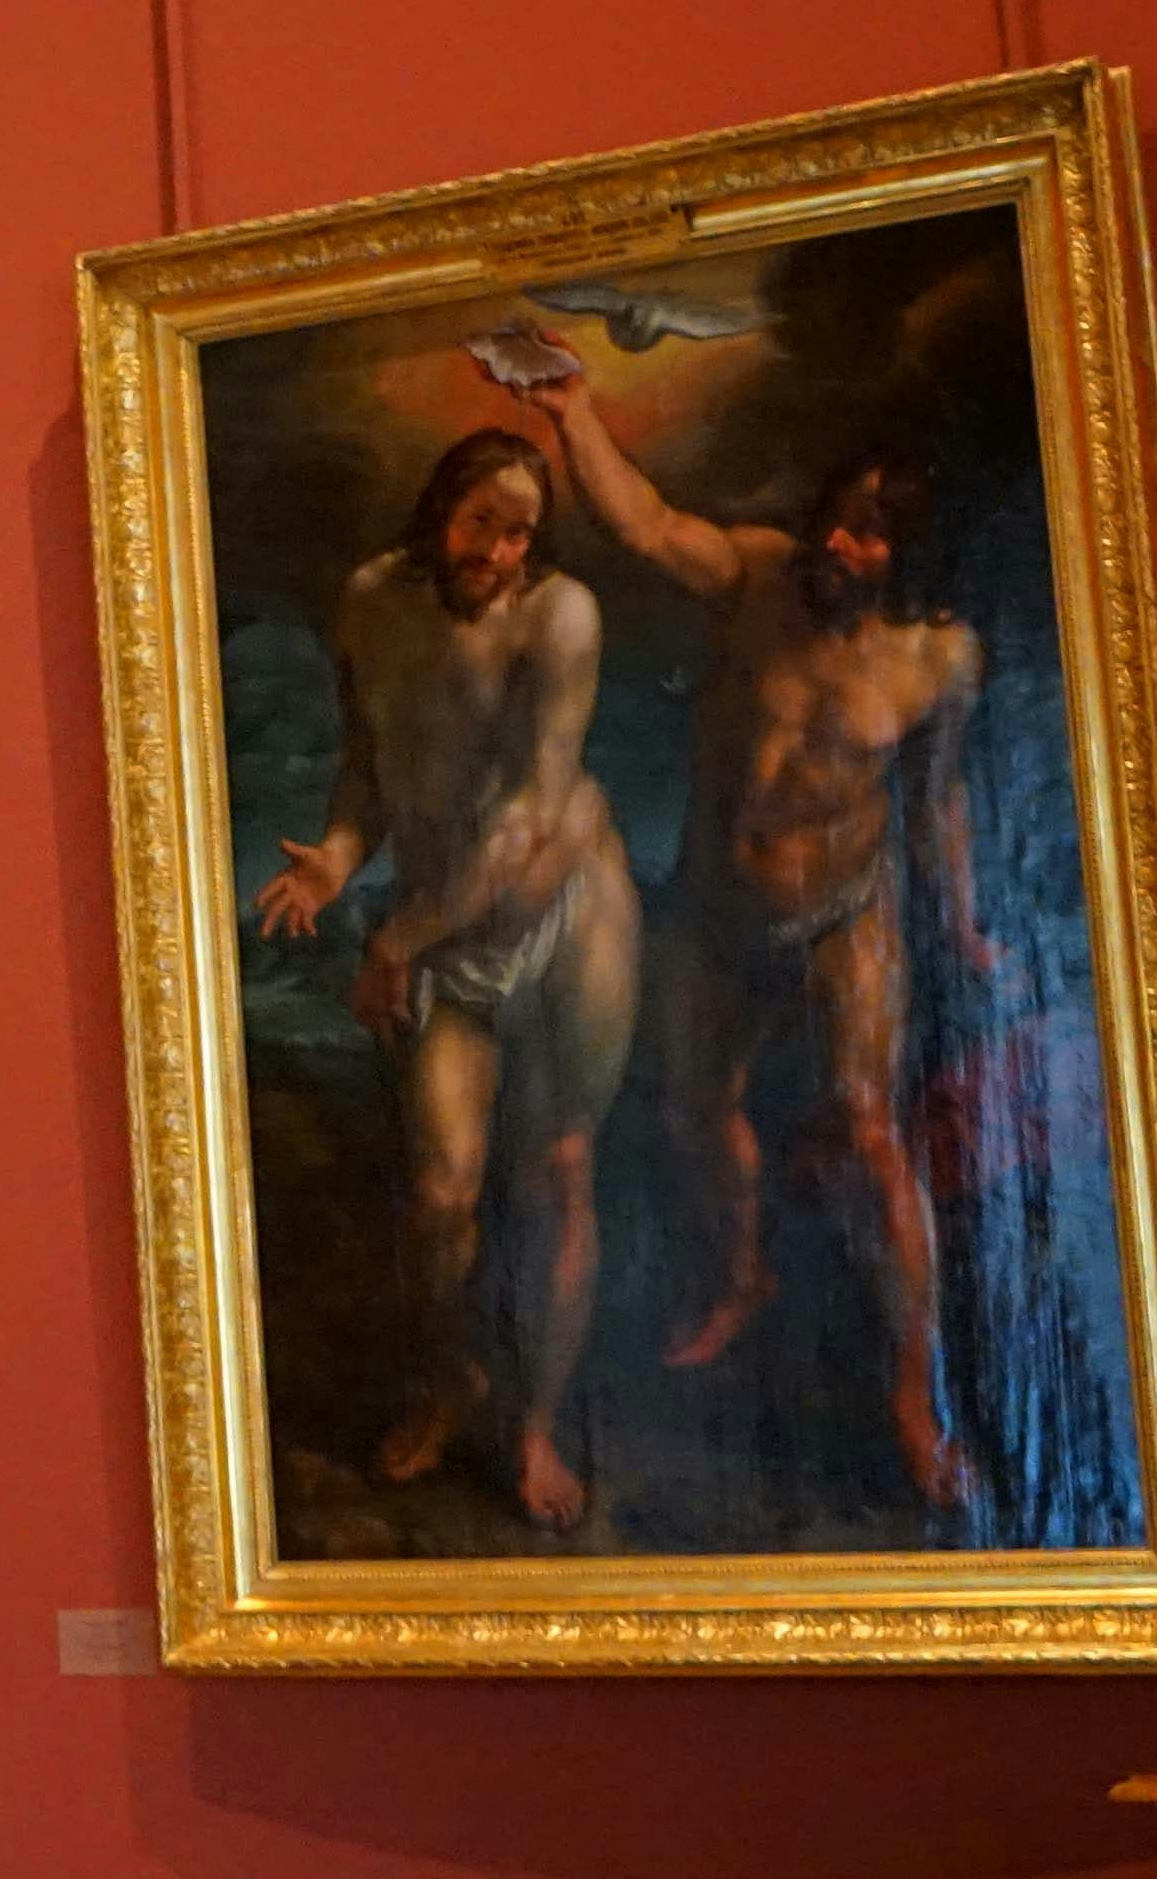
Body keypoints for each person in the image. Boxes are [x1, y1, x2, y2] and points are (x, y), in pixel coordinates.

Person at [527, 377, 999, 1511]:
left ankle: (909, 1391)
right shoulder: (752, 574)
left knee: (869, 1125)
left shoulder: (939, 659)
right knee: (696, 1111)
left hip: (847, 912)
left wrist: (969, 923)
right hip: (714, 909)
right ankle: (744, 1275)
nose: (841, 540)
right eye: (839, 515)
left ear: (909, 554)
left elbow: (939, 805)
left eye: (873, 533)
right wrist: (570, 407)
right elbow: (638, 521)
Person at [244, 420, 643, 1531]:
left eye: (522, 534)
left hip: (566, 913)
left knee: (562, 1167)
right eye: (483, 525)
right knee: (440, 1193)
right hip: (444, 927)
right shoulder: (373, 599)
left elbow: (524, 825)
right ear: (439, 512)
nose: (500, 553)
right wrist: (334, 855)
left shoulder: (560, 618)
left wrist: (391, 940)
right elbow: (371, 763)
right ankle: (450, 1379)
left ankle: (536, 1427)